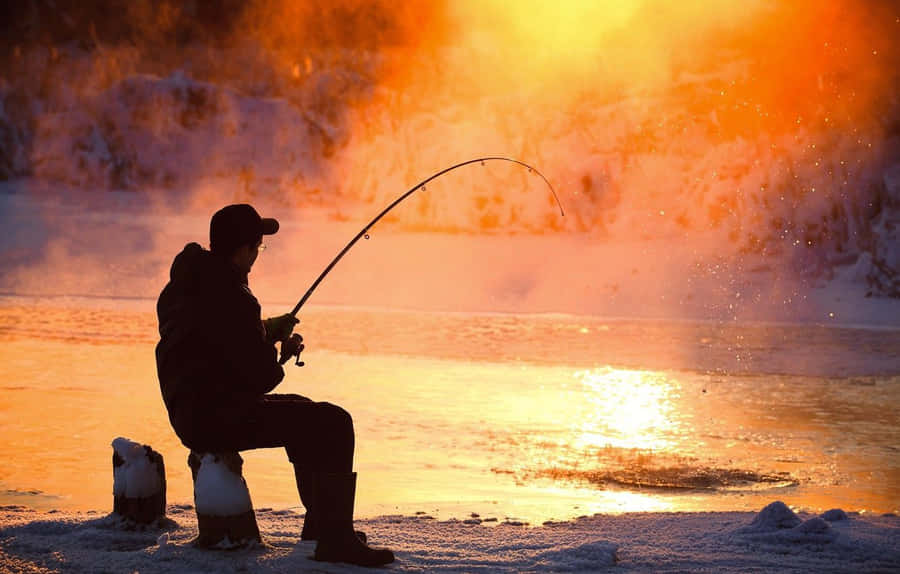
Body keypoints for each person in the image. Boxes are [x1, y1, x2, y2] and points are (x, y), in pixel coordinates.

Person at [155, 203, 394, 567]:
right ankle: (334, 539)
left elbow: (216, 339)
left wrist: (264, 330)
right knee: (334, 423)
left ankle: (324, 526)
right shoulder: (234, 296)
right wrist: (282, 349)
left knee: (304, 410)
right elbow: (261, 378)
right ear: (243, 249)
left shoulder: (188, 284)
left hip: (191, 409)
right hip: (214, 417)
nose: (257, 256)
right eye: (258, 247)